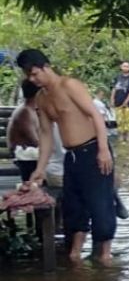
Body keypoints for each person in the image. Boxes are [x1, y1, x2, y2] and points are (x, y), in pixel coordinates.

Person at [18, 49, 117, 264]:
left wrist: (103, 149)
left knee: (101, 206)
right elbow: (45, 135)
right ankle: (75, 254)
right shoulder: (42, 98)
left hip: (93, 151)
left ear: (45, 67)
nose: (33, 79)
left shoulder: (69, 85)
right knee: (74, 207)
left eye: (35, 74)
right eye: (29, 76)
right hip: (71, 156)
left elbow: (95, 115)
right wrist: (40, 169)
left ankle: (105, 255)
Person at [8, 80, 41, 182]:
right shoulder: (24, 112)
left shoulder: (33, 110)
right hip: (26, 160)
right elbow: (35, 141)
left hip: (33, 156)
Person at [111, 60, 129, 141]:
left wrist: (126, 102)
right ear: (121, 67)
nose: (125, 68)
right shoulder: (117, 77)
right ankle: (120, 138)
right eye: (124, 66)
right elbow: (114, 89)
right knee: (119, 122)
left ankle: (128, 138)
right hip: (118, 102)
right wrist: (112, 99)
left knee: (128, 122)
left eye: (127, 66)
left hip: (128, 104)